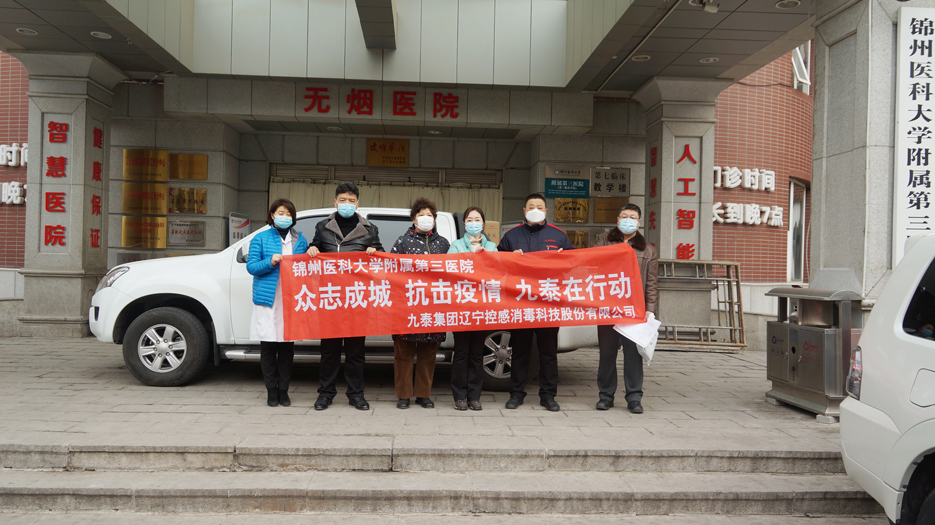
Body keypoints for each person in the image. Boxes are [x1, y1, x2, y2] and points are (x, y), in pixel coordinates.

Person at [307, 182, 383, 411]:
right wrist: (312, 249)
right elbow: (315, 249)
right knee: (328, 351)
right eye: (343, 200)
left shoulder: (370, 230)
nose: (347, 204)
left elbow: (381, 259)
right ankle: (325, 394)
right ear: (335, 202)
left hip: (356, 299)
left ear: (357, 203)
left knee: (355, 352)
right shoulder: (323, 227)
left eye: (351, 200)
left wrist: (375, 253)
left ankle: (356, 395)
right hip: (331, 299)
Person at [497, 193, 575, 412]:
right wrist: (510, 258)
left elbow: (573, 263)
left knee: (548, 352)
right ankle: (516, 393)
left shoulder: (558, 235)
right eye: (531, 207)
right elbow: (497, 264)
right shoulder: (511, 236)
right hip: (521, 303)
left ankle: (548, 395)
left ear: (546, 211)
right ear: (524, 211)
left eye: (539, 207)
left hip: (548, 304)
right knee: (520, 350)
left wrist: (564, 258)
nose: (535, 210)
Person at [593, 203, 658, 414]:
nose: (627, 220)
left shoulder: (648, 250)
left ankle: (634, 397)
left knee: (633, 354)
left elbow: (651, 283)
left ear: (638, 222)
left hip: (634, 309)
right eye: (624, 216)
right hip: (608, 307)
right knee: (607, 353)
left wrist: (650, 309)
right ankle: (605, 396)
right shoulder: (604, 240)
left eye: (632, 217)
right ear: (617, 219)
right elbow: (592, 261)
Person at [246, 198, 309, 408]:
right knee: (268, 347)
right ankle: (271, 391)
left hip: (290, 299)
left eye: (289, 214)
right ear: (272, 215)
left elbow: (306, 268)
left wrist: (312, 254)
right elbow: (252, 267)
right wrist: (270, 261)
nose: (285, 217)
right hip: (268, 299)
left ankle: (284, 390)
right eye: (281, 213)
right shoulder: (261, 238)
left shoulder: (300, 240)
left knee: (286, 348)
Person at [390, 198, 451, 409]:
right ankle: (403, 395)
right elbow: (391, 272)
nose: (426, 218)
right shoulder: (402, 242)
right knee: (403, 353)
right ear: (414, 219)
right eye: (421, 214)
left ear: (434, 219)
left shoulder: (443, 244)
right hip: (407, 307)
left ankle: (423, 394)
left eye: (429, 215)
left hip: (433, 307)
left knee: (428, 353)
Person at [447, 206, 498, 411]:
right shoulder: (456, 245)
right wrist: (471, 257)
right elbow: (449, 270)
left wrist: (485, 257)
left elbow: (497, 271)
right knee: (461, 353)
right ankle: (459, 396)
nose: (473, 223)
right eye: (469, 219)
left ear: (483, 224)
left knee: (477, 353)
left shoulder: (492, 246)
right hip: (461, 307)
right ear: (464, 223)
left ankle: (474, 396)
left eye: (477, 219)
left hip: (482, 308)